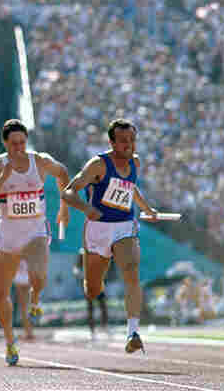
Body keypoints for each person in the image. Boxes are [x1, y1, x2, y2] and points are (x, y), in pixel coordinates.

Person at [61, 118, 159, 355]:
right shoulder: (98, 165)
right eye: (123, 141)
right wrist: (86, 209)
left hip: (125, 225)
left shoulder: (135, 162)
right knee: (93, 289)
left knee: (131, 271)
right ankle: (92, 283)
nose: (129, 145)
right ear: (112, 142)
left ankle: (133, 332)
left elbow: (130, 187)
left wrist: (146, 208)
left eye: (132, 140)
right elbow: (68, 192)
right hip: (98, 229)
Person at [0, 119, 70, 366]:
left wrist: (64, 207)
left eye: (22, 142)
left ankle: (35, 298)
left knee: (38, 276)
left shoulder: (39, 161)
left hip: (35, 232)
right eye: (13, 144)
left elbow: (63, 173)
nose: (18, 148)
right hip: (8, 236)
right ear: (5, 143)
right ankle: (10, 342)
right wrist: (2, 179)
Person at [74, 247, 108, 338]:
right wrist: (80, 275)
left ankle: (104, 326)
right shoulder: (82, 252)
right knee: (90, 307)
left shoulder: (99, 250)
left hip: (98, 281)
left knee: (103, 305)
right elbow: (76, 268)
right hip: (88, 283)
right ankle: (92, 329)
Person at [13, 260, 33, 341]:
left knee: (23, 307)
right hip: (27, 278)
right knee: (26, 306)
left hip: (20, 279)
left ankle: (28, 332)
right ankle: (28, 331)